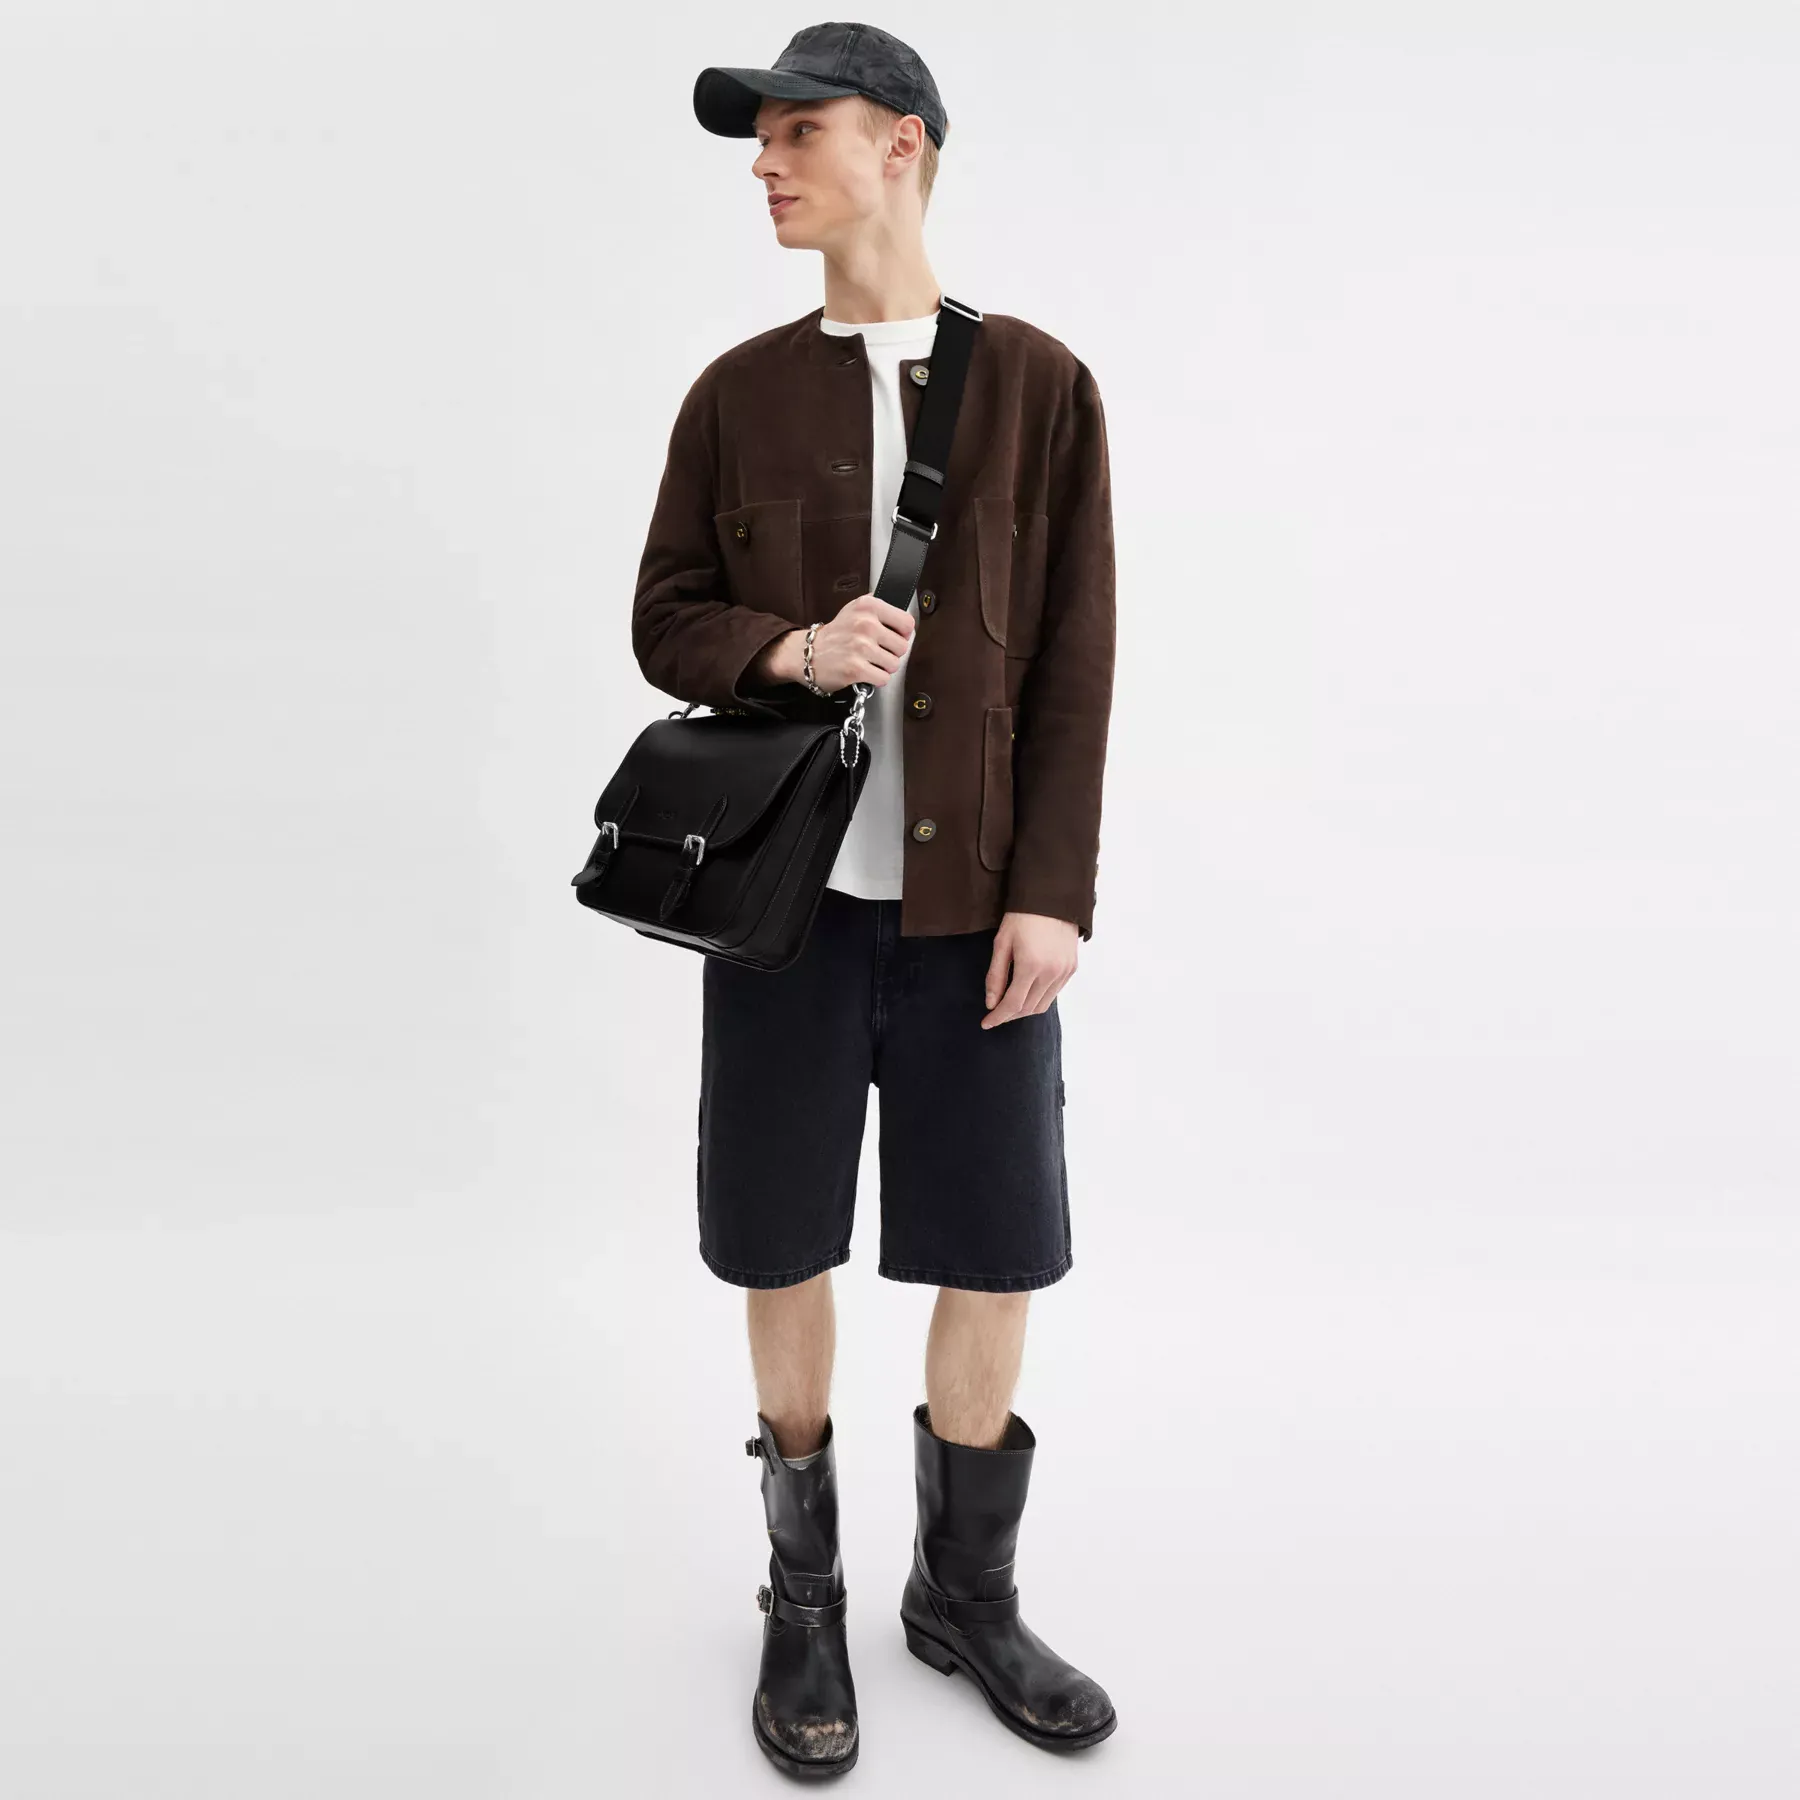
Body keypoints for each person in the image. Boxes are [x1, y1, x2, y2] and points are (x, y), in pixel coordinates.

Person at [633, 21, 1118, 1776]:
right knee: (779, 1230)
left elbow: (1075, 661)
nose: (765, 164)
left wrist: (1052, 891)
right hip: (785, 908)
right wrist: (789, 647)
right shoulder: (736, 393)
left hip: (978, 910)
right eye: (756, 139)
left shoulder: (1040, 387)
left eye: (798, 130)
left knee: (994, 1236)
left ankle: (965, 1596)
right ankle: (806, 1595)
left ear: (901, 142)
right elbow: (665, 616)